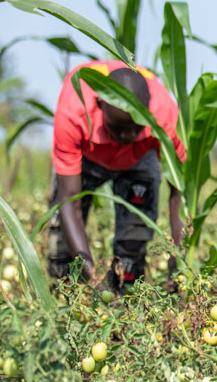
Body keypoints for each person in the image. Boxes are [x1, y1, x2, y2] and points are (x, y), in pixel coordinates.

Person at [47, 60, 186, 293]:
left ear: (148, 110)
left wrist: (179, 256)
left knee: (134, 241)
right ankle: (67, 301)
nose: (127, 136)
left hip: (140, 157)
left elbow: (180, 192)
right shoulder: (74, 110)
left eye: (135, 128)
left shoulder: (164, 115)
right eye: (119, 128)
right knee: (63, 251)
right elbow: (68, 200)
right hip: (87, 155)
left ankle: (125, 302)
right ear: (100, 105)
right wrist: (91, 273)